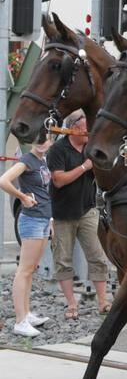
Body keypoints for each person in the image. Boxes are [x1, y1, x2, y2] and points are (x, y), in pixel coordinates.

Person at [48, 111, 111, 319]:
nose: (88, 133)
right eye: (85, 129)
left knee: (98, 257)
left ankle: (103, 302)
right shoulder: (58, 149)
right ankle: (71, 305)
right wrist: (85, 167)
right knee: (63, 260)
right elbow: (59, 180)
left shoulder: (90, 148)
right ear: (73, 127)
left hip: (87, 210)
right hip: (62, 213)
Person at [0, 133, 53, 337]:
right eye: (38, 138)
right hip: (31, 219)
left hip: (42, 219)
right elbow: (4, 180)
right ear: (32, 141)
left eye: (45, 138)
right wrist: (22, 197)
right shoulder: (27, 160)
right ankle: (20, 321)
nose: (41, 142)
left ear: (50, 140)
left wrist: (50, 220)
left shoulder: (43, 161)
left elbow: (45, 192)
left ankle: (26, 314)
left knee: (30, 269)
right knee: (24, 270)